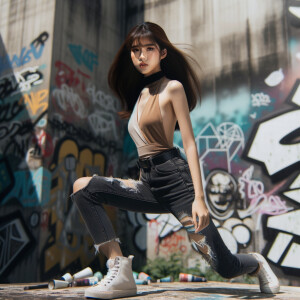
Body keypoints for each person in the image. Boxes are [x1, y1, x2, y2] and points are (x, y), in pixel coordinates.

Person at [71, 22, 280, 299]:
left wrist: (200, 198)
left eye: (149, 49)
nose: (142, 56)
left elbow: (190, 143)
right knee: (84, 188)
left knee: (225, 266)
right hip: (148, 183)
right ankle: (119, 269)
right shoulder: (142, 95)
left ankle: (256, 262)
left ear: (163, 53)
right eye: (136, 51)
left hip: (177, 182)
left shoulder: (173, 88)